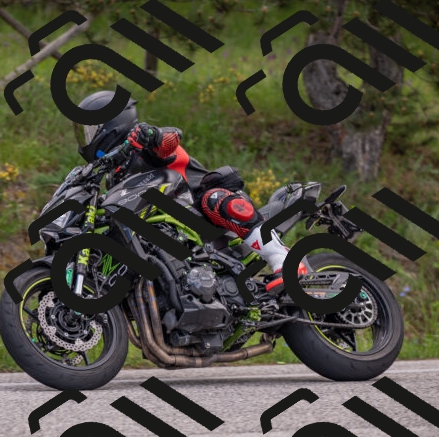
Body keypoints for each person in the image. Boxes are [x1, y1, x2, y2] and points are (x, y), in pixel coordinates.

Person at [73, 91, 308, 295]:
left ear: (113, 124)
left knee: (214, 199)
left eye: (89, 130)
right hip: (175, 238)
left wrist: (151, 135)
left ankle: (283, 259)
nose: (85, 139)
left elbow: (170, 139)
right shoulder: (115, 178)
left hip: (203, 212)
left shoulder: (145, 146)